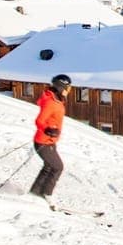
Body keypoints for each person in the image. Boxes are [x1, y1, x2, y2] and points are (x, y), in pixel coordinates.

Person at [29, 74, 72, 207]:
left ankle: (35, 193)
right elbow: (39, 120)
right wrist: (48, 130)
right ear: (61, 87)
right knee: (57, 167)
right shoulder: (51, 102)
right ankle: (47, 194)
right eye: (68, 87)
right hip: (43, 141)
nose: (69, 90)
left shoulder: (57, 99)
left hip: (49, 141)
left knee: (49, 167)